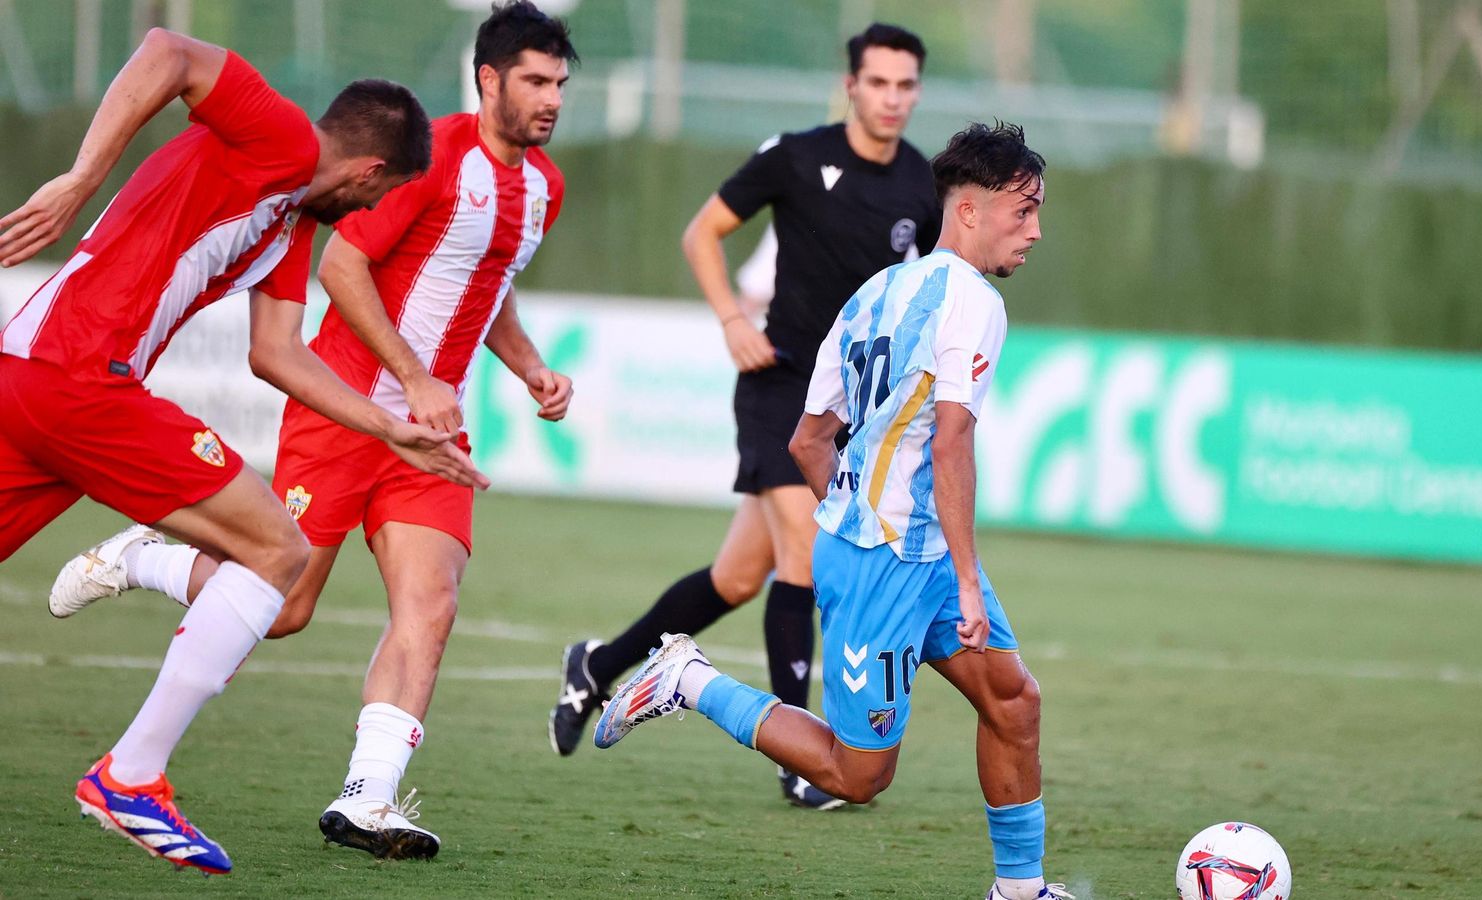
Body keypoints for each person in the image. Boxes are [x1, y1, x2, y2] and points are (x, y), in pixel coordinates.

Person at [48, 1, 577, 862]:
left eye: (559, 83)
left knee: (431, 605)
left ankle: (368, 796)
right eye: (534, 81)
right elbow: (342, 263)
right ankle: (144, 557)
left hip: (430, 440)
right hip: (345, 414)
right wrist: (411, 380)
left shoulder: (544, 188)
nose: (551, 98)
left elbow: (489, 282)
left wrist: (530, 368)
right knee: (286, 607)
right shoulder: (430, 154)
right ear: (489, 80)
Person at [591, 123, 1069, 900]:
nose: (1037, 230)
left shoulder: (874, 292)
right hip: (892, 564)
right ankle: (689, 678)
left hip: (901, 553)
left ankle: (1020, 890)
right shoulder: (974, 303)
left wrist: (855, 518)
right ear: (972, 211)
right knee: (859, 776)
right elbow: (951, 445)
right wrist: (953, 574)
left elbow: (811, 440)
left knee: (1013, 700)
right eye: (1024, 211)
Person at [548, 23, 941, 811]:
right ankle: (802, 759)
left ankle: (598, 663)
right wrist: (732, 319)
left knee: (736, 576)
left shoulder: (922, 187)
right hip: (777, 384)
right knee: (805, 550)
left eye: (906, 86)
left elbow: (918, 294)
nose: (892, 99)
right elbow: (703, 232)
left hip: (844, 410)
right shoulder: (797, 155)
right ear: (851, 86)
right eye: (879, 83)